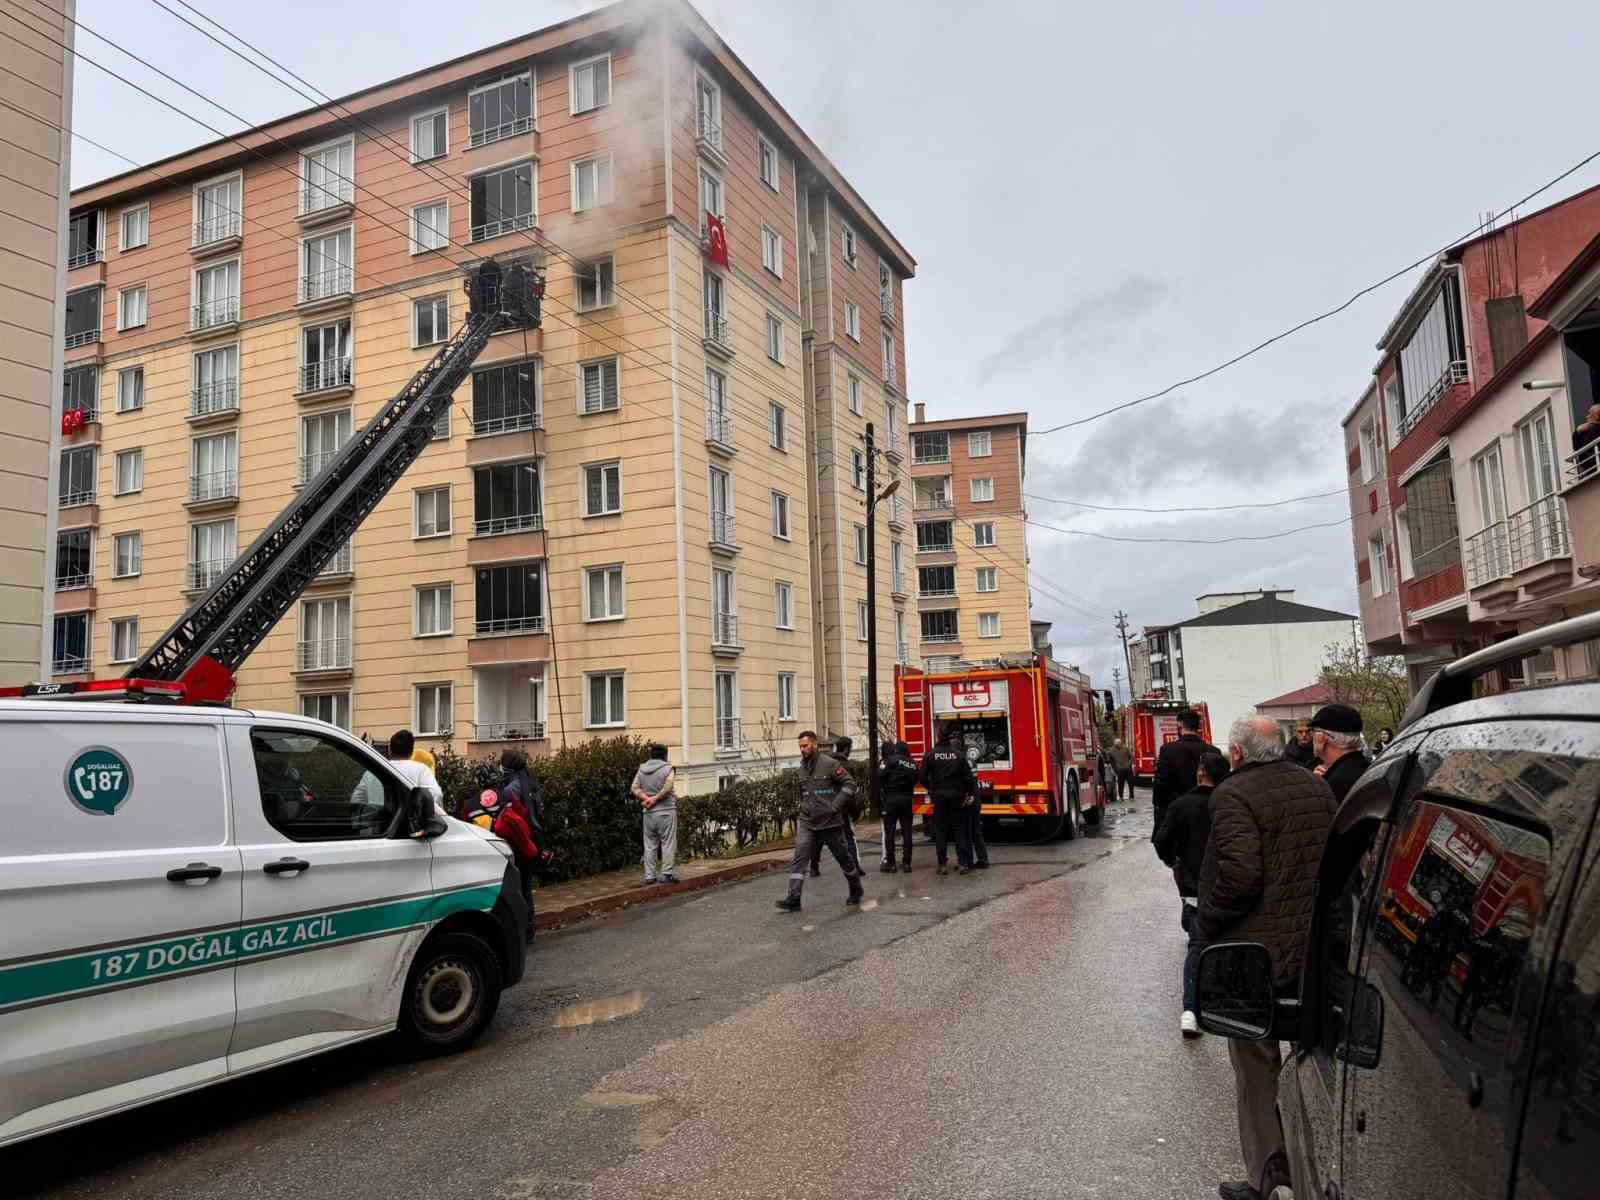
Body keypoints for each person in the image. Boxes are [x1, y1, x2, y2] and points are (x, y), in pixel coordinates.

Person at [1199, 715, 1337, 1200]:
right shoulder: (1317, 788)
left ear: (1237, 753)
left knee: (1255, 1067)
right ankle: (1311, 1168)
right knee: (1310, 1065)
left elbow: (1241, 876)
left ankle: (1267, 1175)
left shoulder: (1232, 794)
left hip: (1254, 957)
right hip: (1312, 951)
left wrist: (1208, 919)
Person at [1153, 750, 1230, 1039]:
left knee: (1196, 944)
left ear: (1199, 774)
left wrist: (1173, 861)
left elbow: (1161, 841)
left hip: (1193, 886)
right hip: (1227, 887)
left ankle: (1191, 1010)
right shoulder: (1229, 804)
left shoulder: (1181, 805)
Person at [776, 731, 863, 911]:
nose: (802, 749)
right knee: (799, 857)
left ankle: (856, 889)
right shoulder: (802, 768)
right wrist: (803, 808)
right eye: (800, 746)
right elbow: (804, 793)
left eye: (805, 745)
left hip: (830, 822)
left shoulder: (830, 764)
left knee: (843, 857)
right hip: (808, 821)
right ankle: (794, 898)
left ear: (815, 744)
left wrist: (835, 806)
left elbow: (849, 784)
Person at [497, 749, 546, 942]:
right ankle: (529, 930)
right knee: (526, 887)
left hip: (517, 844)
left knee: (516, 890)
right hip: (532, 841)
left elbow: (507, 820)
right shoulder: (531, 783)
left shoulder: (510, 790)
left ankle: (520, 931)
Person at [1151, 708, 1218, 844]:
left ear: (1180, 725)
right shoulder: (1213, 751)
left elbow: (1160, 786)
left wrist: (1160, 811)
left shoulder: (1167, 750)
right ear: (1198, 727)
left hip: (1176, 816)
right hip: (1205, 815)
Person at [920, 725, 977, 875]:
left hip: (939, 797)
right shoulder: (959, 755)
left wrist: (931, 789)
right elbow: (968, 778)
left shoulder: (930, 755)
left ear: (938, 737)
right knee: (959, 829)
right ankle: (963, 863)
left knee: (941, 830)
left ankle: (942, 864)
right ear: (950, 738)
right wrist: (968, 794)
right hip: (957, 796)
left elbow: (922, 777)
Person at [811, 736, 861, 876]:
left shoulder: (824, 763)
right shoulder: (845, 766)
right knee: (848, 837)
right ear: (846, 749)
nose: (850, 751)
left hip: (823, 806)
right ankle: (855, 867)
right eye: (850, 749)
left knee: (819, 837)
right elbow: (849, 791)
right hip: (840, 808)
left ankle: (814, 867)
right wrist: (854, 811)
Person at [632, 743, 678, 885]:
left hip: (648, 813)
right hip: (666, 812)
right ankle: (667, 874)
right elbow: (668, 786)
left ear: (651, 755)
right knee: (668, 843)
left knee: (650, 844)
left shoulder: (642, 769)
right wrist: (655, 798)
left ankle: (649, 876)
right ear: (665, 755)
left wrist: (647, 799)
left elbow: (634, 787)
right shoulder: (668, 769)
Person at [1308, 703, 1370, 804]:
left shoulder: (1336, 783)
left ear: (1321, 737)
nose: (1311, 737)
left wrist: (1316, 789)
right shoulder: (1365, 766)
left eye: (1313, 731)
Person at [878, 739, 918, 872]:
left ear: (897, 749)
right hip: (907, 800)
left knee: (889, 833)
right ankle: (907, 863)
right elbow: (916, 779)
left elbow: (880, 775)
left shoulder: (890, 760)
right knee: (907, 832)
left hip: (891, 800)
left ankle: (891, 864)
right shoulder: (912, 763)